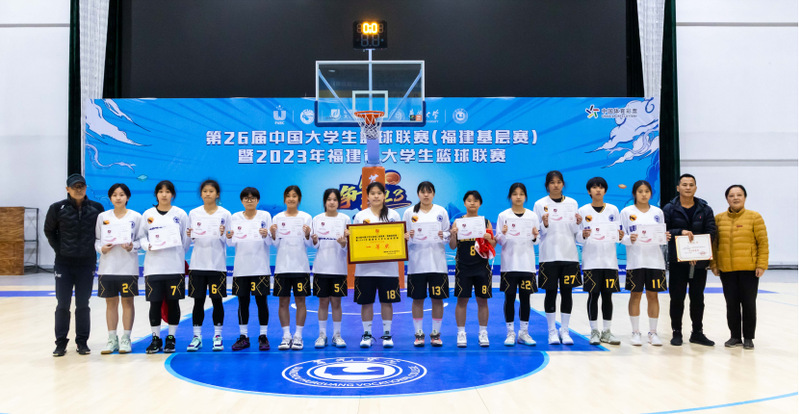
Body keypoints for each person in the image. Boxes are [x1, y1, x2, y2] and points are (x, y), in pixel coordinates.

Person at [45, 173, 104, 356]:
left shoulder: (97, 208)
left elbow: (101, 232)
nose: (79, 190)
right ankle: (60, 343)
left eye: (81, 186)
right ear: (67, 189)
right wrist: (60, 249)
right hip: (64, 263)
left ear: (86, 188)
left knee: (83, 304)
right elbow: (49, 231)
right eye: (75, 187)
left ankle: (82, 342)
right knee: (62, 303)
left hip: (86, 263)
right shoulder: (57, 208)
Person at [710, 185, 769, 350]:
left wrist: (761, 264)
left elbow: (763, 243)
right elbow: (714, 244)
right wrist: (714, 264)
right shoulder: (719, 219)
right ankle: (735, 336)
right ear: (727, 199)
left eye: (739, 195)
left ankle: (748, 337)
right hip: (727, 270)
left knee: (749, 304)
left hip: (749, 269)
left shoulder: (755, 217)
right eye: (731, 195)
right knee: (731, 304)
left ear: (745, 197)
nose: (735, 198)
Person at [663, 174, 717, 346]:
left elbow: (711, 232)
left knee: (697, 298)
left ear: (695, 188)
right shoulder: (669, 208)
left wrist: (698, 254)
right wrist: (680, 232)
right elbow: (664, 231)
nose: (688, 187)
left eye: (691, 184)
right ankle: (676, 332)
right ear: (678, 188)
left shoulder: (705, 209)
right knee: (677, 298)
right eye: (684, 184)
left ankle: (697, 332)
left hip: (699, 262)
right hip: (678, 262)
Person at [140, 180, 190, 354]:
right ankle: (155, 338)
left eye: (168, 191)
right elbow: (142, 236)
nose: (164, 194)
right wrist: (148, 246)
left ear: (172, 195)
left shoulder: (180, 214)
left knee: (173, 302)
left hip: (174, 267)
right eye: (160, 191)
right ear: (156, 194)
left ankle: (171, 338)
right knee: (154, 304)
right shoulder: (148, 214)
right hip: (153, 267)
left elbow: (185, 240)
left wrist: (177, 253)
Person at [533, 170, 583, 345]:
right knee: (550, 293)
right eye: (552, 182)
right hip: (549, 255)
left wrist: (578, 223)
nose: (555, 185)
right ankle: (552, 331)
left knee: (567, 293)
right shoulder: (540, 204)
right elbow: (536, 233)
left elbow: (576, 232)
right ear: (547, 185)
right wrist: (544, 224)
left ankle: (565, 330)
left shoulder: (572, 203)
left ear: (563, 184)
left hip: (569, 255)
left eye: (559, 182)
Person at [621, 180, 671, 346]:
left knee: (653, 295)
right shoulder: (626, 212)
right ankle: (635, 332)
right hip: (635, 261)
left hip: (655, 261)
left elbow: (661, 235)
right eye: (640, 191)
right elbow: (621, 236)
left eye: (647, 191)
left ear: (651, 193)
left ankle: (653, 332)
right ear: (634, 193)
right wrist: (629, 238)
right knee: (635, 295)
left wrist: (665, 237)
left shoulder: (658, 212)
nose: (643, 194)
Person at [353, 181, 403, 348]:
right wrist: (349, 236)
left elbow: (398, 239)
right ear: (367, 196)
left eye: (379, 193)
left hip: (388, 269)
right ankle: (367, 334)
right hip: (365, 269)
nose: (376, 196)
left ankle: (387, 335)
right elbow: (355, 241)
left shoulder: (393, 215)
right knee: (366, 302)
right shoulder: (360, 216)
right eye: (372, 193)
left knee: (386, 302)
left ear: (384, 195)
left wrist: (402, 238)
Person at [95, 183, 142, 354]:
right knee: (111, 302)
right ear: (110, 198)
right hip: (107, 268)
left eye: (121, 194)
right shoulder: (102, 217)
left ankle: (126, 338)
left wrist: (132, 246)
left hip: (128, 268)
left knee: (128, 302)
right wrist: (101, 248)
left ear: (127, 197)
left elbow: (141, 240)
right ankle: (112, 338)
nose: (118, 198)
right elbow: (97, 240)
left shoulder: (136, 217)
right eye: (114, 195)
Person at [403, 181, 450, 347]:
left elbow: (448, 234)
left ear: (433, 194)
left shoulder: (441, 211)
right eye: (423, 192)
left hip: (438, 265)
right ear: (418, 194)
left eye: (429, 191)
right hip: (417, 265)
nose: (426, 195)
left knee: (437, 300)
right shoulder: (409, 212)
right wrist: (407, 236)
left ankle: (436, 334)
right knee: (417, 300)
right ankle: (419, 334)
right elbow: (403, 236)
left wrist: (443, 235)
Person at [576, 177, 623, 346]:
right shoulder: (582, 210)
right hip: (591, 261)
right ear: (589, 191)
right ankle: (594, 331)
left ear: (605, 190)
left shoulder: (613, 209)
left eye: (601, 187)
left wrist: (620, 236)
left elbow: (618, 234)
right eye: (595, 187)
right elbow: (577, 236)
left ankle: (607, 331)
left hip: (609, 261)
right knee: (593, 295)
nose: (598, 190)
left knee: (608, 296)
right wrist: (583, 235)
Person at [186, 179, 231, 352]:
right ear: (201, 194)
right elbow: (190, 238)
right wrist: (190, 235)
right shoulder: (194, 213)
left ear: (217, 194)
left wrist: (224, 234)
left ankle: (217, 336)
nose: (208, 194)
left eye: (211, 191)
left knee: (216, 301)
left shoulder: (225, 214)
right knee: (198, 302)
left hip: (217, 265)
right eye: (205, 191)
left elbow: (230, 240)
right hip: (197, 265)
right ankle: (197, 336)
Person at [227, 187, 272, 351]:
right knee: (242, 303)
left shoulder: (265, 216)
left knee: (261, 302)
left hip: (260, 267)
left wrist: (266, 234)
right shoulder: (235, 217)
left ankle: (263, 336)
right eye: (246, 198)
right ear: (242, 201)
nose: (249, 200)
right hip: (241, 268)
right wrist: (228, 236)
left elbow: (270, 242)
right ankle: (243, 336)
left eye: (253, 198)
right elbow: (230, 243)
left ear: (257, 200)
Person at [495, 183, 540, 346]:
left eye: (521, 194)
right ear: (510, 196)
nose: (518, 197)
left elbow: (537, 241)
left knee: (526, 299)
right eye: (515, 194)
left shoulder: (532, 216)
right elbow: (499, 240)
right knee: (509, 298)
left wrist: (534, 236)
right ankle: (510, 333)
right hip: (509, 265)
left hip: (527, 265)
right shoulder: (503, 216)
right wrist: (503, 233)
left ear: (525, 196)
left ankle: (524, 332)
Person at [269, 185, 313, 351]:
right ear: (284, 199)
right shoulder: (277, 218)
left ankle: (298, 336)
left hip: (301, 267)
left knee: (301, 302)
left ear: (299, 199)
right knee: (283, 302)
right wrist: (273, 234)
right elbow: (275, 244)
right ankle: (286, 335)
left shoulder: (306, 217)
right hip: (282, 267)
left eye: (294, 196)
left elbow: (310, 244)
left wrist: (307, 234)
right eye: (288, 196)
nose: (291, 199)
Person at [450, 190, 495, 348]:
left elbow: (493, 245)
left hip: (482, 267)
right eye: (469, 200)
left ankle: (483, 332)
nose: (472, 203)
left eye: (475, 200)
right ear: (464, 203)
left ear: (480, 203)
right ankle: (461, 332)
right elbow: (452, 246)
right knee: (462, 300)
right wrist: (453, 235)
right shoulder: (458, 222)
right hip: (463, 267)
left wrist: (489, 239)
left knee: (482, 301)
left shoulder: (485, 222)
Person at [311, 188, 351, 348]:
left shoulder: (345, 219)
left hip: (338, 268)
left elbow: (348, 246)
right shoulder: (317, 219)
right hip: (321, 268)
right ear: (324, 202)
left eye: (335, 199)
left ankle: (337, 335)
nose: (332, 202)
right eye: (329, 199)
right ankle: (322, 335)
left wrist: (343, 243)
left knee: (336, 303)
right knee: (322, 303)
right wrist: (314, 240)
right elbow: (314, 245)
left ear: (339, 202)